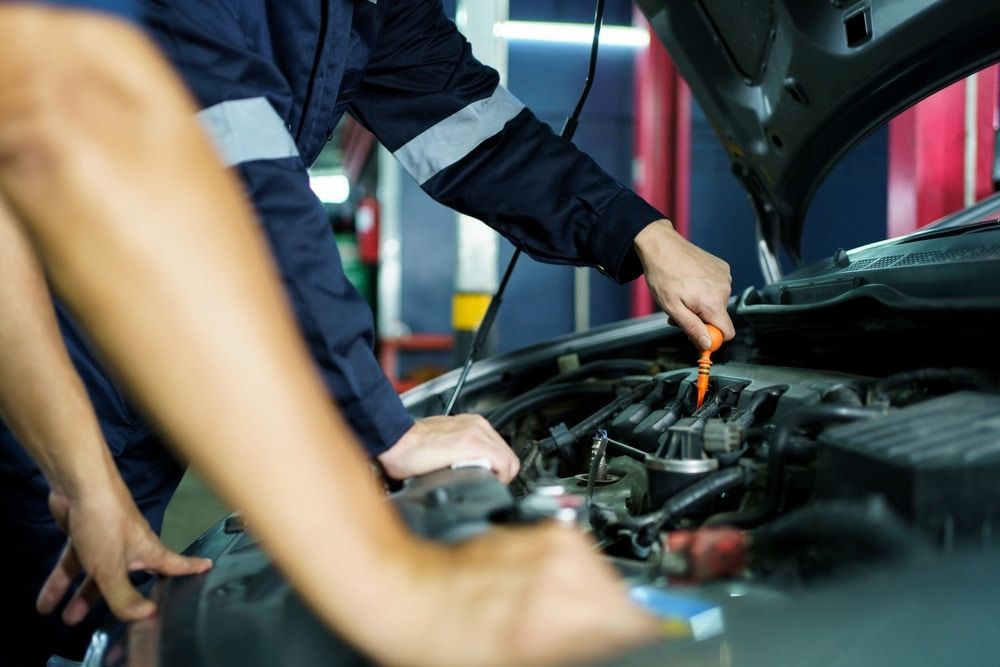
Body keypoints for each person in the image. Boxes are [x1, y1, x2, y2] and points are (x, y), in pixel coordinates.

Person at [0, 3, 661, 666]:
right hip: (65, 355)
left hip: (102, 369)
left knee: (77, 618)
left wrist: (643, 233)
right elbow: (169, 145)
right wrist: (388, 577)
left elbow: (474, 125)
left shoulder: (368, 11)